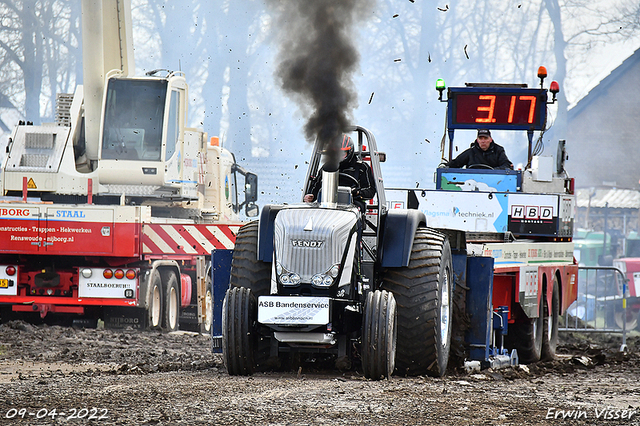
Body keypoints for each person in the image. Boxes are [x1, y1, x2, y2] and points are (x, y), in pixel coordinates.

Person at [304, 134, 376, 204]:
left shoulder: (361, 168)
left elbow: (370, 191)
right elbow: (315, 188)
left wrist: (357, 192)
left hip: (354, 205)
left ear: (349, 152)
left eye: (341, 153)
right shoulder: (327, 168)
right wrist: (311, 196)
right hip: (328, 205)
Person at [446, 129, 513, 170]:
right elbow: (456, 162)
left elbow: (506, 165)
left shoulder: (498, 151)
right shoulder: (471, 152)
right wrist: (445, 166)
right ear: (477, 140)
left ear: (490, 139)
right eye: (481, 138)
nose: (483, 141)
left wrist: (493, 171)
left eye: (485, 138)